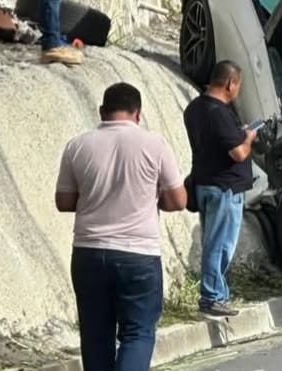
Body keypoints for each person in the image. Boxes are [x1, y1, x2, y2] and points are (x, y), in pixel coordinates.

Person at [55, 82, 186, 371]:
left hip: (89, 252)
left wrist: (95, 196)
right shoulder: (155, 145)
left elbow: (64, 202)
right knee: (137, 333)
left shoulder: (77, 146)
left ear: (102, 111)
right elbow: (178, 200)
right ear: (138, 113)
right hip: (138, 255)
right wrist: (154, 198)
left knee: (95, 336)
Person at [183, 61, 257, 317]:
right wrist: (249, 138)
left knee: (213, 241)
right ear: (230, 83)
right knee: (220, 245)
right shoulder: (219, 112)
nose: (237, 91)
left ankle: (218, 294)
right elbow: (238, 153)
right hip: (225, 187)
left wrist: (237, 133)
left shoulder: (194, 108)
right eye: (238, 86)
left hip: (204, 183)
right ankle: (212, 297)